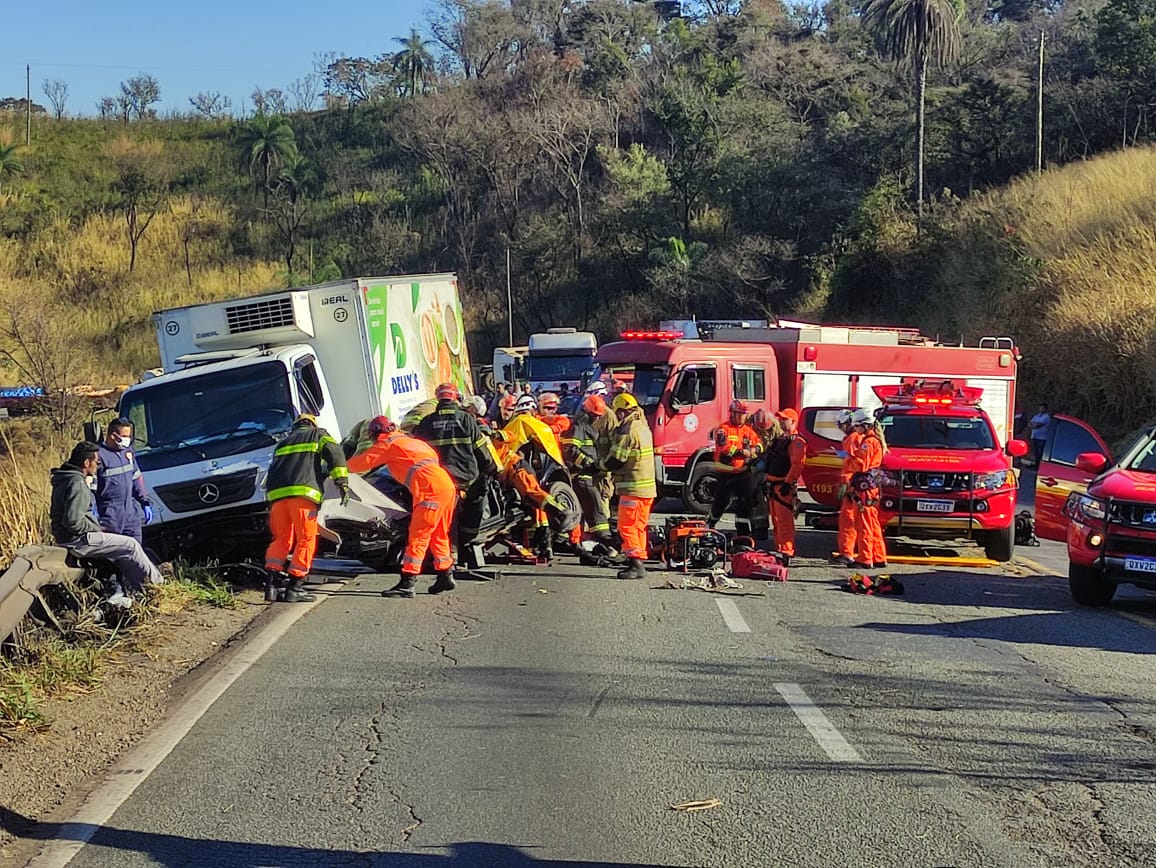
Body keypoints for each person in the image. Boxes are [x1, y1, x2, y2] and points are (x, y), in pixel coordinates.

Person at [348, 416, 457, 598]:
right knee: (438, 533)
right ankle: (445, 574)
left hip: (428, 489)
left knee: (418, 536)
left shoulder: (387, 443)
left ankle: (407, 582)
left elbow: (361, 463)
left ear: (376, 434)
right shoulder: (412, 442)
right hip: (446, 486)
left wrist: (337, 467)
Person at [50, 441, 165, 608]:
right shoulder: (77, 484)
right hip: (78, 540)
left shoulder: (65, 479)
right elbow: (73, 521)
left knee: (121, 551)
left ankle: (138, 590)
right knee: (130, 545)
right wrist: (96, 529)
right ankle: (158, 586)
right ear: (86, 463)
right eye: (96, 462)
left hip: (68, 537)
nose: (97, 466)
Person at [264, 413, 349, 602]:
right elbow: (335, 452)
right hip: (303, 496)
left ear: (296, 426)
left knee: (281, 539)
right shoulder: (318, 435)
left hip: (277, 498)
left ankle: (271, 585)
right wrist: (341, 481)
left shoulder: (282, 443)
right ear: (312, 424)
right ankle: (296, 586)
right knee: (306, 539)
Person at [414, 383, 497, 559]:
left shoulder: (426, 423)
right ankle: (467, 542)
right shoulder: (467, 420)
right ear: (455, 398)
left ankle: (446, 553)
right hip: (466, 478)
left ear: (438, 398)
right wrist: (491, 468)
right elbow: (481, 451)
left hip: (437, 480)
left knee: (442, 518)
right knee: (476, 504)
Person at [599, 392, 656, 580]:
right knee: (639, 526)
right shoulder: (643, 426)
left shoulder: (627, 429)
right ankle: (638, 558)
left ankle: (635, 564)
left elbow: (617, 459)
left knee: (627, 527)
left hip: (633, 487)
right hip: (647, 489)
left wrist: (599, 467)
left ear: (622, 412)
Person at [562, 393, 617, 545]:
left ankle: (588, 539)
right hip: (580, 475)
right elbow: (569, 449)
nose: (598, 419)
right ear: (588, 413)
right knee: (595, 505)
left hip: (588, 474)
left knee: (588, 508)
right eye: (595, 416)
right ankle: (604, 537)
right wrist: (587, 463)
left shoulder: (587, 427)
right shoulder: (579, 426)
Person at [95, 418, 152, 543]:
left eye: (129, 436)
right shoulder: (99, 457)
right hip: (110, 517)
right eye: (125, 436)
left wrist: (144, 501)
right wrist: (93, 511)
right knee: (114, 555)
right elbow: (91, 488)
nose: (128, 439)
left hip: (130, 514)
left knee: (136, 552)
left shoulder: (128, 453)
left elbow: (136, 477)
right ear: (113, 436)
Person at [707, 401, 761, 531]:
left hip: (743, 473)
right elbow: (723, 447)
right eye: (739, 413)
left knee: (744, 504)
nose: (742, 417)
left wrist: (754, 451)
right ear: (732, 413)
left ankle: (743, 533)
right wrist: (741, 452)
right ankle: (709, 525)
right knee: (721, 502)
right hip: (726, 472)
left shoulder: (749, 431)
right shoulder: (723, 429)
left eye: (744, 414)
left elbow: (759, 445)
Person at [763, 408, 806, 559]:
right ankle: (780, 548)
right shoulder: (781, 439)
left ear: (793, 422)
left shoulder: (797, 442)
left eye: (784, 419)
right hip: (773, 485)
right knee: (776, 521)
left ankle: (787, 551)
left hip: (783, 486)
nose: (781, 421)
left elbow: (797, 465)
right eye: (780, 419)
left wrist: (788, 483)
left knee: (784, 522)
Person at [848, 408, 888, 569]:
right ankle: (879, 557)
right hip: (870, 487)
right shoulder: (875, 441)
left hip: (864, 487)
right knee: (873, 524)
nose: (856, 430)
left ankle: (865, 558)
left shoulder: (868, 443)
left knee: (863, 524)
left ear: (865, 425)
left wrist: (850, 458)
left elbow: (861, 464)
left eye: (857, 426)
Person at [832, 409, 861, 567]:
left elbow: (852, 464)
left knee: (847, 520)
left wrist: (846, 483)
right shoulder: (856, 438)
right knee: (851, 520)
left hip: (851, 484)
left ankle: (847, 553)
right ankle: (848, 552)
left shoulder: (852, 439)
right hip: (854, 483)